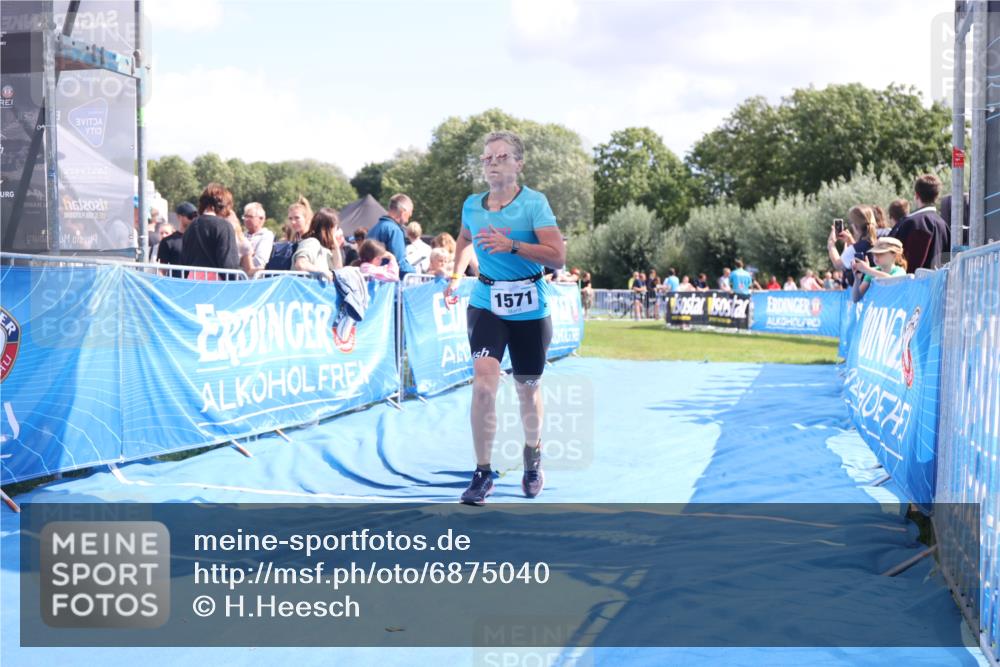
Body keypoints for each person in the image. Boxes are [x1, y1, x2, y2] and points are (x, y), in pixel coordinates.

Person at [442, 130, 565, 505]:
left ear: (518, 163)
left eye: (501, 156)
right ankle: (482, 472)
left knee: (527, 389)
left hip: (529, 304)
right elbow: (464, 237)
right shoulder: (472, 205)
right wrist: (456, 274)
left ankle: (533, 454)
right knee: (484, 383)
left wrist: (512, 245)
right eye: (487, 157)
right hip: (486, 300)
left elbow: (556, 256)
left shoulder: (534, 204)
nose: (493, 162)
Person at [889, 173, 951, 271]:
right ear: (937, 196)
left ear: (916, 195)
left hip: (913, 284)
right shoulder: (944, 225)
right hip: (939, 284)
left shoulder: (911, 223)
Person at [181, 183, 241, 279]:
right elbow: (229, 265)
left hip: (192, 282)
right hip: (216, 286)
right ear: (224, 205)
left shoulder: (190, 227)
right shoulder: (224, 226)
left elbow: (185, 260)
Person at [827, 204, 878, 288]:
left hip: (864, 295)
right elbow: (861, 251)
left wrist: (831, 244)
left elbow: (838, 265)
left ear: (855, 226)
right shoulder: (877, 242)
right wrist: (851, 241)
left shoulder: (855, 248)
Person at [368, 193, 417, 277]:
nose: (407, 220)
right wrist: (415, 272)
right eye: (409, 215)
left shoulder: (374, 229)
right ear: (403, 212)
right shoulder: (394, 230)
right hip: (386, 284)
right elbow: (399, 263)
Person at [292, 208, 344, 281]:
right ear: (327, 228)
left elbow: (338, 271)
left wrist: (335, 245)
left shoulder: (326, 249)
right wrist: (321, 271)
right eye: (336, 227)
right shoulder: (312, 242)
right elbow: (301, 264)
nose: (336, 231)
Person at [852, 237, 907, 302]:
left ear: (894, 255)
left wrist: (867, 270)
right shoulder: (872, 272)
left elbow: (892, 280)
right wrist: (857, 279)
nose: (875, 256)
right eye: (874, 253)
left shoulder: (900, 271)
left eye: (881, 253)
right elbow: (856, 298)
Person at [158, 202, 198, 276]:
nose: (194, 219)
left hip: (195, 283)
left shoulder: (199, 239)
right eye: (190, 216)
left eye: (196, 216)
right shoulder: (167, 241)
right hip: (175, 284)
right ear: (179, 217)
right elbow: (162, 269)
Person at [242, 202, 274, 272]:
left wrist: (242, 260)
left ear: (261, 219)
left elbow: (259, 262)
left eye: (250, 217)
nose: (246, 219)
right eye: (245, 216)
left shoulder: (266, 235)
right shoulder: (242, 235)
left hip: (255, 280)